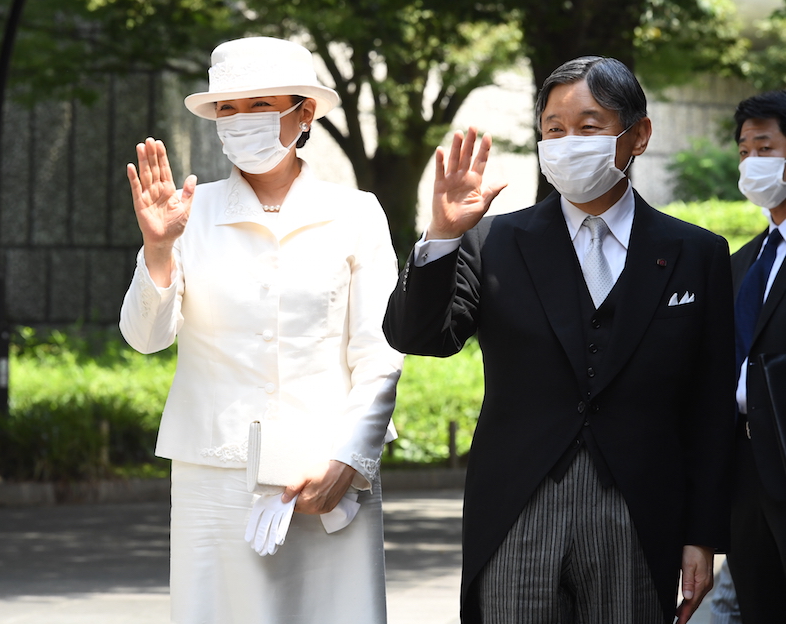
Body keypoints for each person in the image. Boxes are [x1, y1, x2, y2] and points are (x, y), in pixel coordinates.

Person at [383, 56, 736, 624]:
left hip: (640, 513)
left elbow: (711, 408)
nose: (568, 141)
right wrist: (443, 236)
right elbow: (419, 336)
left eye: (589, 126)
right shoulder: (494, 240)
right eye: (554, 129)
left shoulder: (697, 254)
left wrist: (703, 535)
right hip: (517, 508)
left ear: (638, 135)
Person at [119, 36, 403, 624]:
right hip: (214, 476)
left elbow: (379, 353)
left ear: (305, 114)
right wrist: (157, 250)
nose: (240, 121)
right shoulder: (185, 213)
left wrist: (349, 460)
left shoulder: (356, 212)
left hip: (328, 472)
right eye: (227, 108)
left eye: (259, 105)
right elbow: (146, 337)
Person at [726, 89, 786, 624]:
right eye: (744, 151)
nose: (751, 163)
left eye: (764, 148)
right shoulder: (743, 261)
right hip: (745, 473)